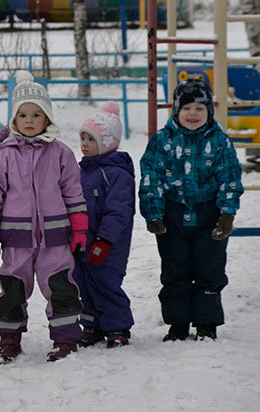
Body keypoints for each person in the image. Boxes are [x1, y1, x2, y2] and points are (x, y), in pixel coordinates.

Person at [0, 72, 87, 363]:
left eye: (35, 115)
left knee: (61, 287)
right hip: (16, 240)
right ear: (14, 120)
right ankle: (9, 341)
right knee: (13, 290)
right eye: (22, 114)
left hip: (55, 238)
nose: (29, 120)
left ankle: (65, 340)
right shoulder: (1, 158)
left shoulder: (61, 154)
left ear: (47, 119)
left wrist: (79, 229)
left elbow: (74, 194)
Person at [139, 78, 244, 342]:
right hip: (172, 214)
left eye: (200, 108)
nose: (193, 114)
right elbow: (151, 177)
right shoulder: (162, 141)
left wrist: (227, 214)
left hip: (209, 214)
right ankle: (178, 323)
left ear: (209, 110)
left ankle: (207, 323)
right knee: (175, 269)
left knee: (210, 268)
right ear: (176, 110)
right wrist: (153, 214)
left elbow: (230, 178)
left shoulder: (219, 141)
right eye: (187, 108)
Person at [75, 102, 135, 349]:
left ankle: (117, 327)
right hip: (83, 242)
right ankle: (92, 325)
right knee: (84, 284)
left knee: (107, 284)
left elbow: (119, 211)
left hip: (108, 246)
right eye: (82, 138)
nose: (84, 144)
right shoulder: (81, 171)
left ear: (107, 142)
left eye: (91, 139)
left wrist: (105, 241)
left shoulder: (117, 174)